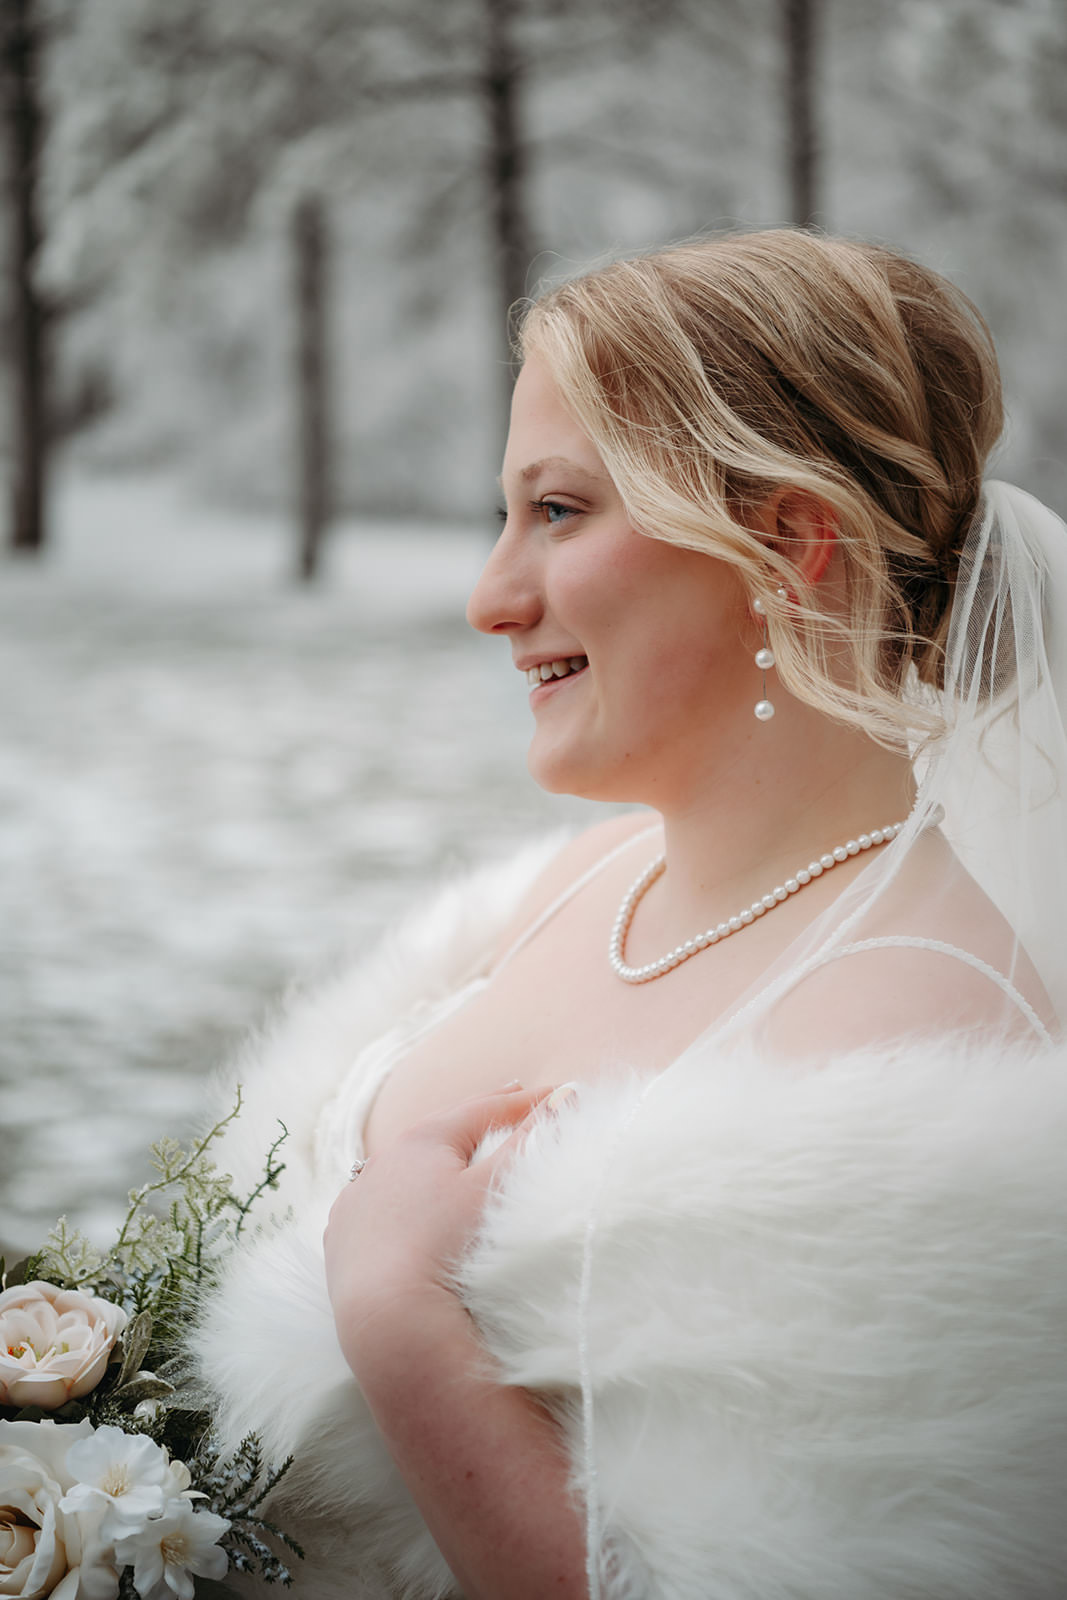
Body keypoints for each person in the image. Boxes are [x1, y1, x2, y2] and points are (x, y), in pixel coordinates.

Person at [191, 230, 1067, 1600]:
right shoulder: (567, 891)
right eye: (505, 515)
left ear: (785, 541)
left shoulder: (926, 1028)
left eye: (556, 511)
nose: (493, 599)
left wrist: (402, 1327)